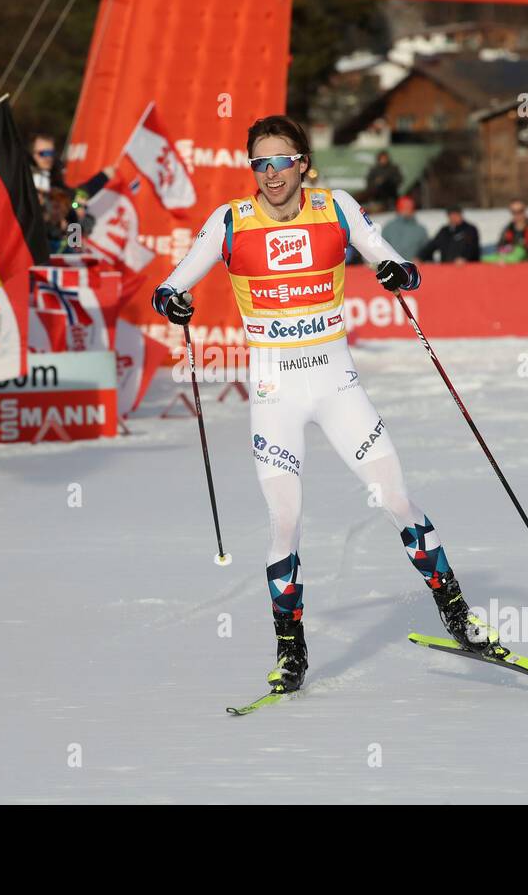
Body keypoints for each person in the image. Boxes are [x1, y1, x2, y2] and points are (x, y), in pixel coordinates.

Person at [151, 114, 500, 696]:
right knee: (284, 521)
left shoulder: (335, 207)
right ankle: (291, 650)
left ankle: (458, 614)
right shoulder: (231, 221)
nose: (270, 174)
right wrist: (173, 304)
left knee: (396, 499)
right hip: (274, 397)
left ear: (303, 164)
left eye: (281, 161)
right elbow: (171, 286)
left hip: (338, 388)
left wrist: (395, 271)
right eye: (259, 163)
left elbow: (400, 268)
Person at [379, 195, 428, 260]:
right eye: (404, 207)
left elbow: (426, 251)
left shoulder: (421, 230)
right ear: (398, 208)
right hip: (392, 267)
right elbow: (381, 249)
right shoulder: (389, 228)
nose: (407, 210)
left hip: (413, 268)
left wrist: (420, 259)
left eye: (410, 207)